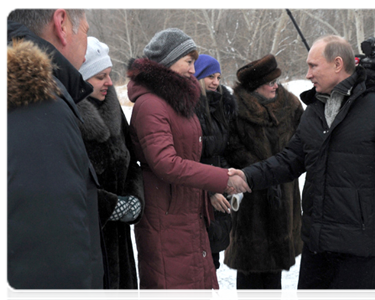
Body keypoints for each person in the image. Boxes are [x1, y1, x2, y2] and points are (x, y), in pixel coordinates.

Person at [228, 35, 375, 300]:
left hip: (360, 248)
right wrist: (246, 175)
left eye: (313, 66)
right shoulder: (316, 110)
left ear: (338, 64)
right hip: (317, 246)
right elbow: (289, 160)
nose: (307, 75)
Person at [126, 28, 250, 300]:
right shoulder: (150, 105)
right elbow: (166, 163)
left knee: (194, 286)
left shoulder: (177, 103)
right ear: (169, 62)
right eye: (188, 61)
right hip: (165, 216)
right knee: (171, 289)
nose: (194, 70)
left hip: (187, 212)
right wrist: (221, 178)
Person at [5, 9, 106, 300]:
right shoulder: (36, 101)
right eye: (85, 32)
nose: (86, 51)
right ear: (61, 24)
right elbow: (48, 267)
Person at [222, 54, 304, 300]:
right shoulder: (234, 108)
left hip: (284, 196)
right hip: (250, 198)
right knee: (249, 267)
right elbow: (228, 148)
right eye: (270, 82)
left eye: (276, 81)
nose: (276, 86)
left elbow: (304, 141)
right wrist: (256, 169)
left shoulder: (291, 105)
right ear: (254, 87)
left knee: (275, 267)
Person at [78, 36, 145, 300]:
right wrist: (109, 206)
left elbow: (131, 161)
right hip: (91, 241)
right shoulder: (67, 115)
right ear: (80, 78)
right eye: (99, 77)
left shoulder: (113, 107)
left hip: (121, 239)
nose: (109, 82)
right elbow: (72, 181)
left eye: (109, 75)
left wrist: (135, 200)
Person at [194, 54, 237, 270]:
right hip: (200, 195)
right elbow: (190, 160)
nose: (216, 82)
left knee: (212, 265)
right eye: (210, 76)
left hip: (222, 189)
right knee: (199, 264)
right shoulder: (190, 109)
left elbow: (225, 150)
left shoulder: (222, 107)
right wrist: (209, 192)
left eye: (219, 77)